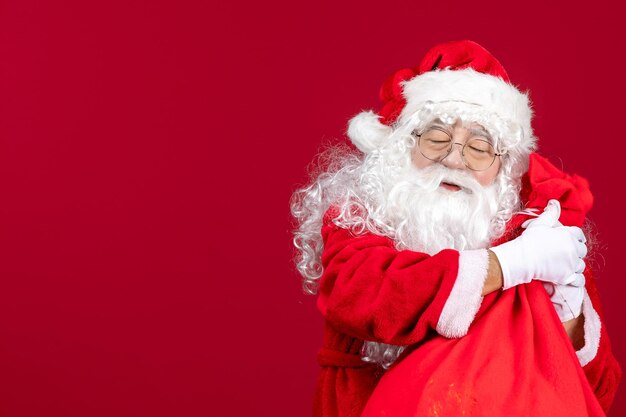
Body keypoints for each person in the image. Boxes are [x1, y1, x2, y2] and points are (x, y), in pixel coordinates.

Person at [290, 40, 621, 417]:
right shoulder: (357, 218)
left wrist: (569, 312)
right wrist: (506, 265)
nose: (453, 158)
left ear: (504, 167)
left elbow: (595, 393)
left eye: (479, 147)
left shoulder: (533, 239)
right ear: (402, 147)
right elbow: (368, 298)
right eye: (436, 139)